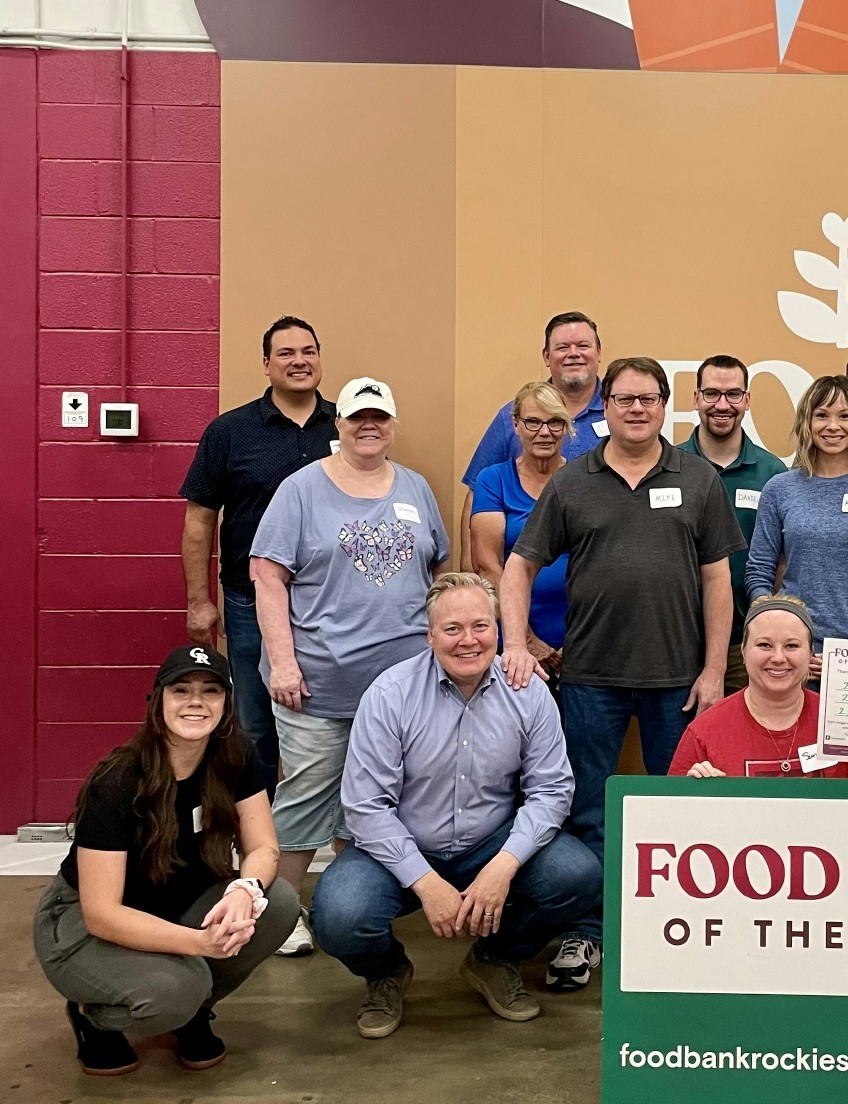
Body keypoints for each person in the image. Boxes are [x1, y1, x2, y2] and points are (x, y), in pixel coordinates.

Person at [499, 356, 744, 992]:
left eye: (648, 398)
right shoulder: (573, 482)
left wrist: (715, 669)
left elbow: (719, 579)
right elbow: (519, 566)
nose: (637, 409)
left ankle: (679, 932)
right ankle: (588, 934)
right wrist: (515, 642)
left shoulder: (698, 479)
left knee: (684, 812)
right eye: (624, 399)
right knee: (589, 814)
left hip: (680, 681)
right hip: (589, 680)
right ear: (603, 408)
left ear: (667, 406)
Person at [312, 574, 601, 1038]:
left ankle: (494, 959)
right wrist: (426, 884)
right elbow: (366, 808)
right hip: (403, 847)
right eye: (452, 629)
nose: (469, 640)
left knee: (578, 875)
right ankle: (386, 972)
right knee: (339, 914)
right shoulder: (390, 695)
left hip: (490, 843)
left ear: (498, 630)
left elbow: (551, 791)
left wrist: (503, 866)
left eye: (481, 626)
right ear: (429, 635)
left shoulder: (527, 692)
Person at [250, 377, 450, 958]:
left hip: (402, 691)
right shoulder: (301, 490)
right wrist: (282, 664)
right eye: (357, 416)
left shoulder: (413, 487)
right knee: (307, 795)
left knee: (374, 800)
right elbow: (267, 577)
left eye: (379, 417)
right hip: (317, 683)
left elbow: (438, 573)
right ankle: (281, 914)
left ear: (391, 424)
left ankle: (350, 905)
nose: (369, 426)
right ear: (337, 423)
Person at [33, 646, 299, 1076]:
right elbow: (101, 914)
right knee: (177, 990)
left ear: (226, 705)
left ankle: (193, 1010)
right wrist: (200, 944)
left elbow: (263, 848)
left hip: (177, 903)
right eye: (181, 690)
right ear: (157, 702)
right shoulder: (118, 781)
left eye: (211, 691)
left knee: (279, 901)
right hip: (83, 925)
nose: (196, 701)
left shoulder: (235, 756)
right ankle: (96, 1018)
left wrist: (244, 890)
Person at [180, 315, 339, 799]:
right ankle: (256, 833)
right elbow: (199, 523)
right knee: (254, 723)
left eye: (308, 351)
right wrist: (198, 601)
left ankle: (344, 835)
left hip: (328, 604)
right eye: (286, 354)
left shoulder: (348, 423)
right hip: (248, 603)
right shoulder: (229, 432)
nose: (299, 362)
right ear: (266, 364)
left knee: (337, 718)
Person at [745, 374, 848, 676]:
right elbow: (759, 572)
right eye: (821, 415)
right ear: (806, 423)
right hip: (795, 659)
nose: (832, 426)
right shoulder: (780, 489)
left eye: (844, 416)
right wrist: (781, 641)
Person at [669, 595, 848, 778]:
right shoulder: (704, 733)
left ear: (811, 653)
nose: (778, 657)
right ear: (743, 652)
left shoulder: (845, 721)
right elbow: (671, 820)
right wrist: (699, 797)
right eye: (764, 645)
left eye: (792, 646)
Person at [459, 312, 606, 570]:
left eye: (583, 346)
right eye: (562, 347)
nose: (574, 353)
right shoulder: (510, 416)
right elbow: (476, 497)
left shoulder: (619, 412)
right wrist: (472, 577)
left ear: (598, 352)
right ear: (547, 357)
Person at [680, 354, 788, 692]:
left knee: (745, 744)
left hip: (747, 644)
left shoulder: (773, 475)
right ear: (696, 398)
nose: (722, 405)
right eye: (711, 394)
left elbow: (784, 561)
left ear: (747, 400)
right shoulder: (670, 467)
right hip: (679, 643)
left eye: (733, 394)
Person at [471, 380, 574, 680]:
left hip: (580, 642)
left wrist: (581, 642)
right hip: (514, 643)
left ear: (566, 426)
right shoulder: (495, 480)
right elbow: (487, 566)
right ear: (515, 425)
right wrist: (526, 639)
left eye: (555, 422)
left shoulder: (583, 479)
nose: (544, 432)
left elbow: (601, 563)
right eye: (532, 422)